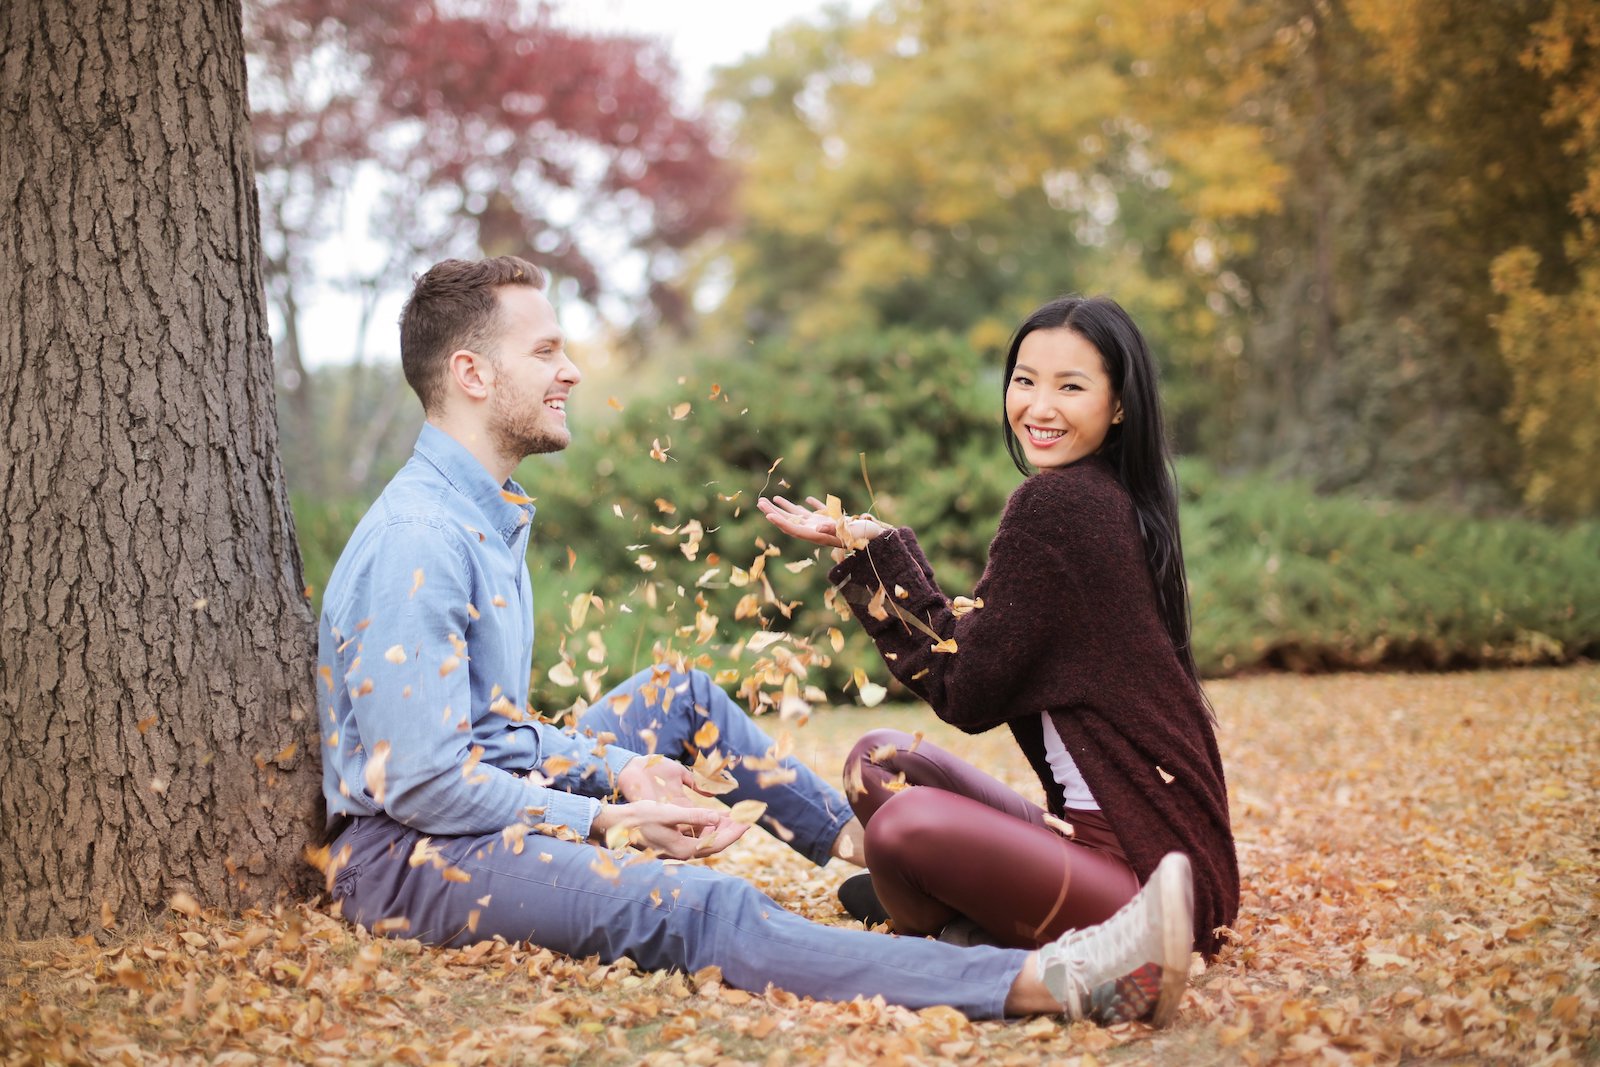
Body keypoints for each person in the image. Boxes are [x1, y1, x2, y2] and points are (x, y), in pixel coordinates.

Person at [317, 257, 1196, 1026]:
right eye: (545, 351)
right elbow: (425, 781)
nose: (573, 370)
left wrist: (616, 766)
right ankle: (1055, 980)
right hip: (411, 859)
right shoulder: (420, 540)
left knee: (679, 698)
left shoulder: (484, 516)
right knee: (706, 908)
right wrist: (608, 816)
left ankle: (862, 858)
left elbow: (489, 731)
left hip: (468, 809)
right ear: (470, 373)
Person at [758, 295, 1238, 969]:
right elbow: (976, 655)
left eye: (1070, 386)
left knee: (900, 824)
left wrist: (880, 561)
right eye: (1024, 379)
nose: (1039, 407)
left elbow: (967, 691)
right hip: (1157, 861)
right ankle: (960, 902)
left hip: (1151, 890)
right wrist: (872, 549)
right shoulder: (1104, 495)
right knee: (879, 760)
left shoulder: (1058, 505)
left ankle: (957, 911)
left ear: (1119, 404)